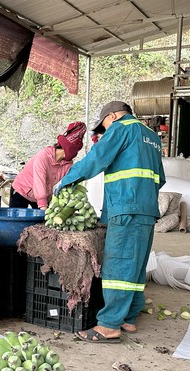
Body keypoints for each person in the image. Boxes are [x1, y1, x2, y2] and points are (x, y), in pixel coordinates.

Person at [54, 101, 165, 343]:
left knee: (118, 266)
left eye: (104, 125)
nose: (104, 131)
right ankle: (129, 318)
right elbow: (161, 178)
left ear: (112, 116)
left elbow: (96, 158)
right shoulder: (151, 137)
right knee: (135, 266)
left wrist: (66, 180)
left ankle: (109, 325)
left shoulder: (121, 128)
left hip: (126, 207)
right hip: (146, 209)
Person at [10, 121, 86, 209]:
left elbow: (63, 183)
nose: (75, 154)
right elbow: (39, 181)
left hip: (40, 196)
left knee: (39, 221)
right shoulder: (43, 156)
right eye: (75, 150)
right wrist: (43, 206)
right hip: (21, 191)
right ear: (68, 148)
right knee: (19, 221)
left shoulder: (67, 164)